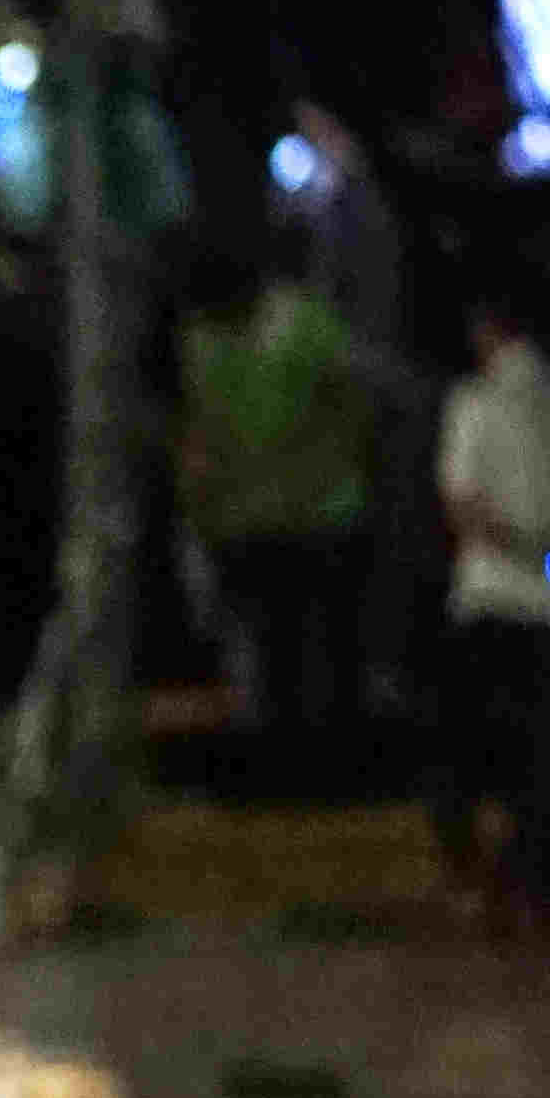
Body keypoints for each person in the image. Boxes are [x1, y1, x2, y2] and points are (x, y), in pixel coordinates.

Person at [429, 267, 550, 913]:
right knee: (542, 753)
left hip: (489, 601)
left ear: (488, 332)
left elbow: (462, 507)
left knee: (471, 749)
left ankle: (477, 878)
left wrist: (520, 554)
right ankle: (536, 876)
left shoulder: (474, 403)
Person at [175, 231, 373, 778]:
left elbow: (350, 404)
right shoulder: (206, 334)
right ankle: (291, 765)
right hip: (265, 521)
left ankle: (322, 763)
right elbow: (201, 431)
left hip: (313, 517)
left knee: (311, 650)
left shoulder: (292, 323)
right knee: (280, 649)